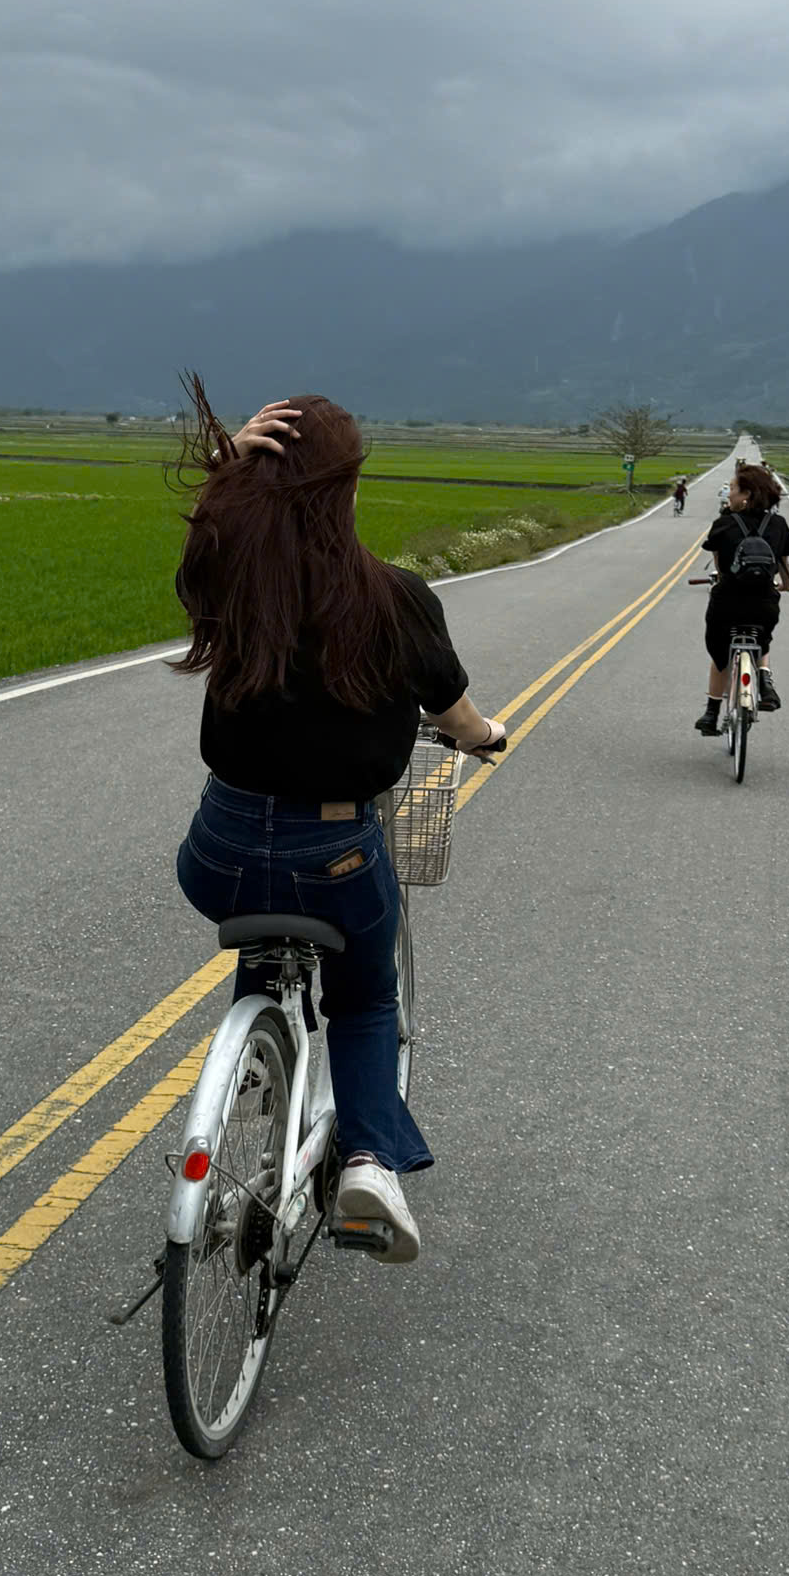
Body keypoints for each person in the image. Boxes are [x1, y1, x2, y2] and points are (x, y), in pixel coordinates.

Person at [171, 377, 505, 1265]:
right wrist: (485, 737)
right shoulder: (394, 598)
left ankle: (256, 1064)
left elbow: (196, 562)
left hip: (220, 852)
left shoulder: (234, 587)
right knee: (363, 997)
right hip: (338, 855)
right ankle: (367, 1160)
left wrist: (226, 471)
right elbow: (463, 718)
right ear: (346, 487)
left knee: (265, 916)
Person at [695, 460, 789, 730]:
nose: (729, 493)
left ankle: (710, 714)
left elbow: (718, 562)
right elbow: (782, 563)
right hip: (763, 603)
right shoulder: (777, 523)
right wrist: (786, 585)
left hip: (727, 602)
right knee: (761, 637)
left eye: (733, 488)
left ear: (746, 494)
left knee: (720, 653)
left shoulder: (724, 523)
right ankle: (765, 682)